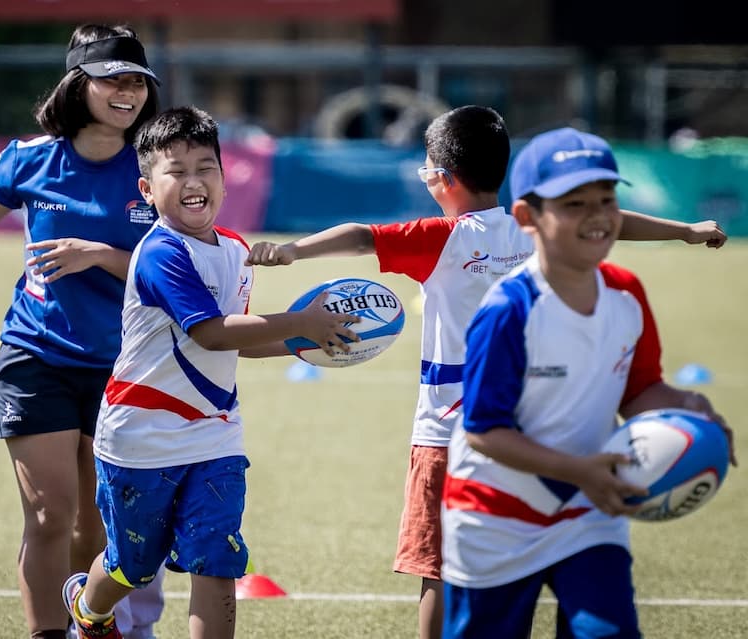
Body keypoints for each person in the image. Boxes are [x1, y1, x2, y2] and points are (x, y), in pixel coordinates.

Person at [244, 106, 729, 639]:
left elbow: (362, 235)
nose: (594, 215)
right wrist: (683, 230)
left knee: (436, 570)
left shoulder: (445, 237)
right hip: (521, 441)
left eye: (427, 168)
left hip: (447, 434)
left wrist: (291, 251)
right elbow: (615, 224)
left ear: (442, 178)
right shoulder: (534, 237)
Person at [61, 105, 359, 639]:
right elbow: (212, 332)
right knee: (134, 564)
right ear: (148, 190)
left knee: (217, 561)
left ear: (225, 177)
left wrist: (307, 343)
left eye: (206, 167)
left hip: (215, 436)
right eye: (176, 171)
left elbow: (235, 345)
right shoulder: (160, 253)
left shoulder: (238, 250)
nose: (194, 181)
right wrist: (302, 321)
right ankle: (89, 608)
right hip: (140, 438)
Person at [441, 126, 737, 639]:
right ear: (527, 218)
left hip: (587, 512)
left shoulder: (626, 292)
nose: (597, 215)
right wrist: (581, 469)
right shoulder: (509, 309)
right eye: (574, 204)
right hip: (494, 518)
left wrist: (691, 410)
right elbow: (484, 431)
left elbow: (640, 390)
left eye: (606, 199)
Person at [0, 24, 168, 639]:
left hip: (127, 364)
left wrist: (100, 254)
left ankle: (90, 624)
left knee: (96, 523)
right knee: (48, 515)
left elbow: (179, 263)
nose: (128, 92)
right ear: (77, 84)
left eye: (137, 81)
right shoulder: (28, 159)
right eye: (112, 79)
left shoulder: (155, 166)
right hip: (36, 355)